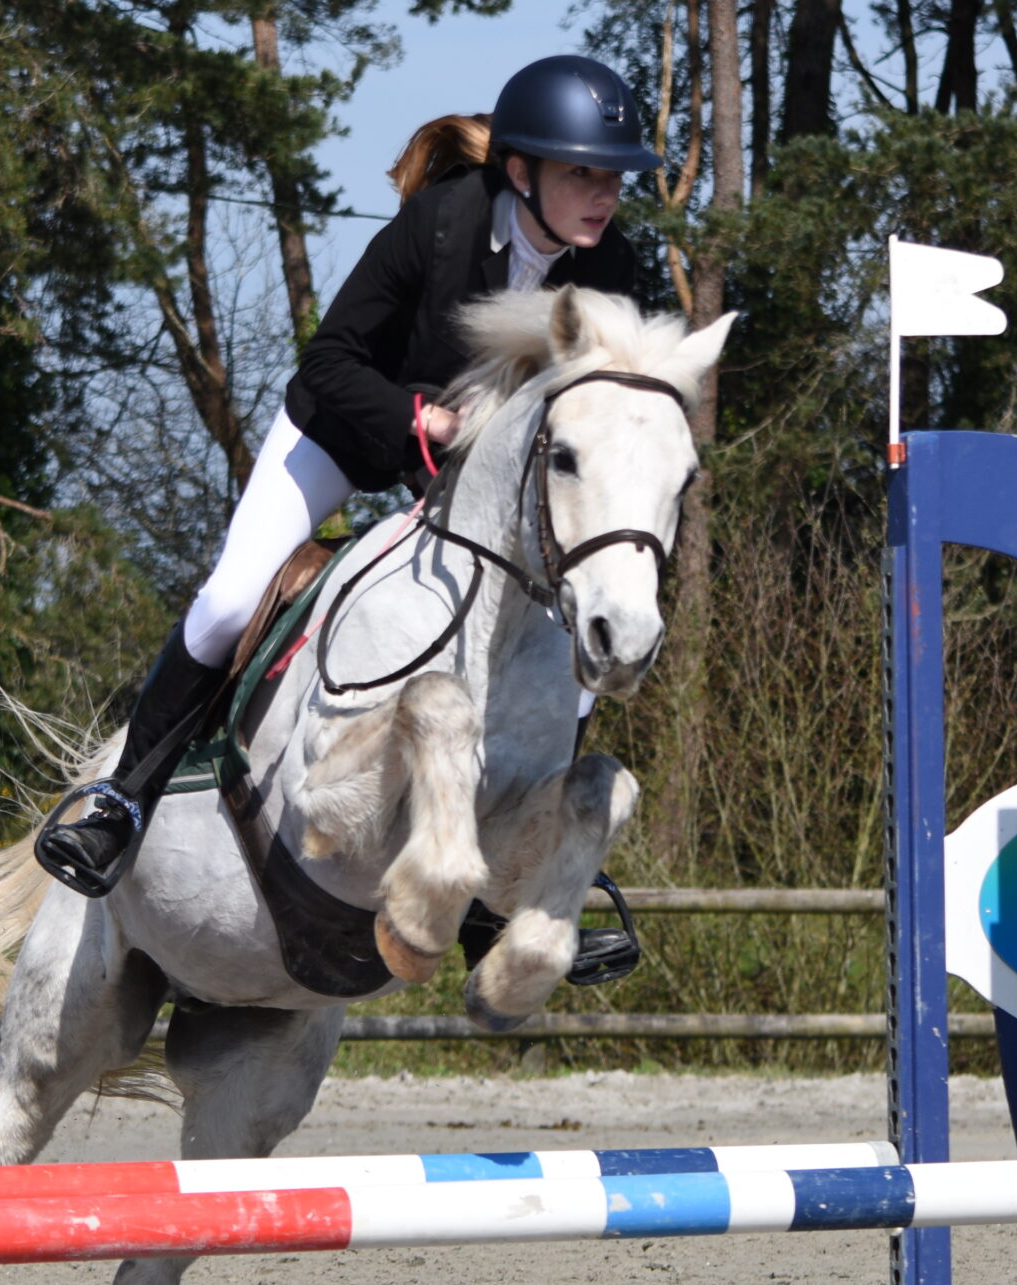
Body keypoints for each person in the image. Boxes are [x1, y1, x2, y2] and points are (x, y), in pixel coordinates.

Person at [37, 56, 660, 983]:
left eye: (613, 176)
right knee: (227, 599)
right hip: (348, 429)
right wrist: (422, 419)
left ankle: (503, 895)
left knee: (562, 654)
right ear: (521, 172)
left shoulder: (614, 266)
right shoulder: (437, 227)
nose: (604, 195)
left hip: (473, 483)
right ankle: (120, 801)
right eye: (584, 173)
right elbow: (326, 362)